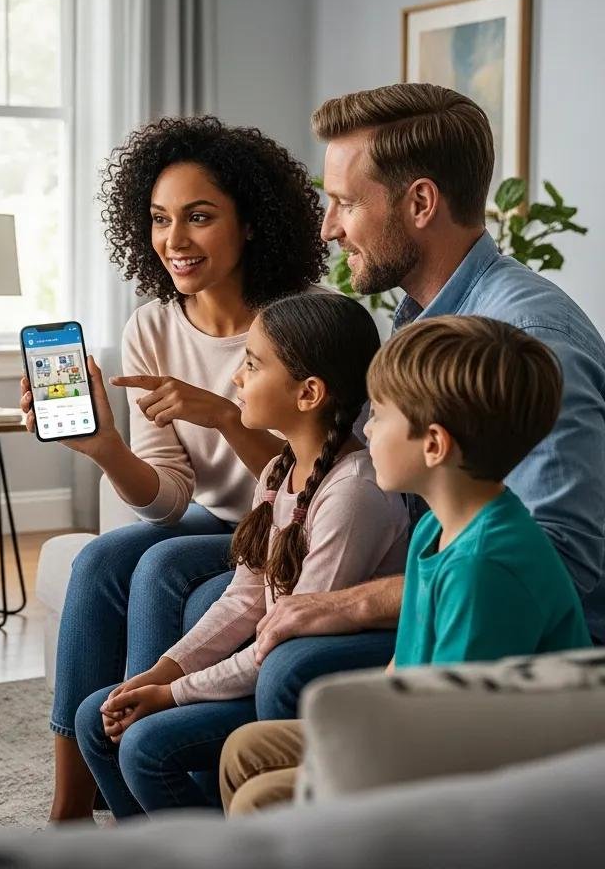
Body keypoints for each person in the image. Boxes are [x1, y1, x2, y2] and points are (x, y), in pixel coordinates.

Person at [246, 83, 605, 725]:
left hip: (515, 638)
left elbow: (561, 560)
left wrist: (351, 603)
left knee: (292, 670)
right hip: (437, 569)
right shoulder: (423, 319)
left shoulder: (528, 342)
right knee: (170, 571)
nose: (329, 229)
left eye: (345, 203)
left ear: (420, 203)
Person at [20, 116, 328, 821]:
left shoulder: (311, 323)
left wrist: (224, 414)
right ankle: (69, 805)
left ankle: (137, 763)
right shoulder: (152, 326)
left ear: (250, 223)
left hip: (288, 521)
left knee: (160, 571)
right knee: (98, 561)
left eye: (198, 217)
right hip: (208, 518)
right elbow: (165, 504)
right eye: (160, 220)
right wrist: (102, 447)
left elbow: (316, 478)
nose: (175, 241)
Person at [220, 315, 592, 814]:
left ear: (433, 445)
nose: (367, 428)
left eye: (381, 415)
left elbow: (463, 731)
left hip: (484, 770)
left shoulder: (486, 569)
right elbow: (403, 669)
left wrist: (333, 767)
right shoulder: (434, 529)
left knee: (263, 798)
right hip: (419, 726)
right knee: (245, 750)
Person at [72, 292, 409, 816]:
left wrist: (176, 693)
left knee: (144, 746)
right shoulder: (279, 472)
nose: (235, 380)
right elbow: (244, 598)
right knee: (96, 716)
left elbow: (282, 640)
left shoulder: (353, 494)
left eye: (251, 365)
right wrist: (162, 671)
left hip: (306, 674)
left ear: (309, 393)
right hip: (265, 657)